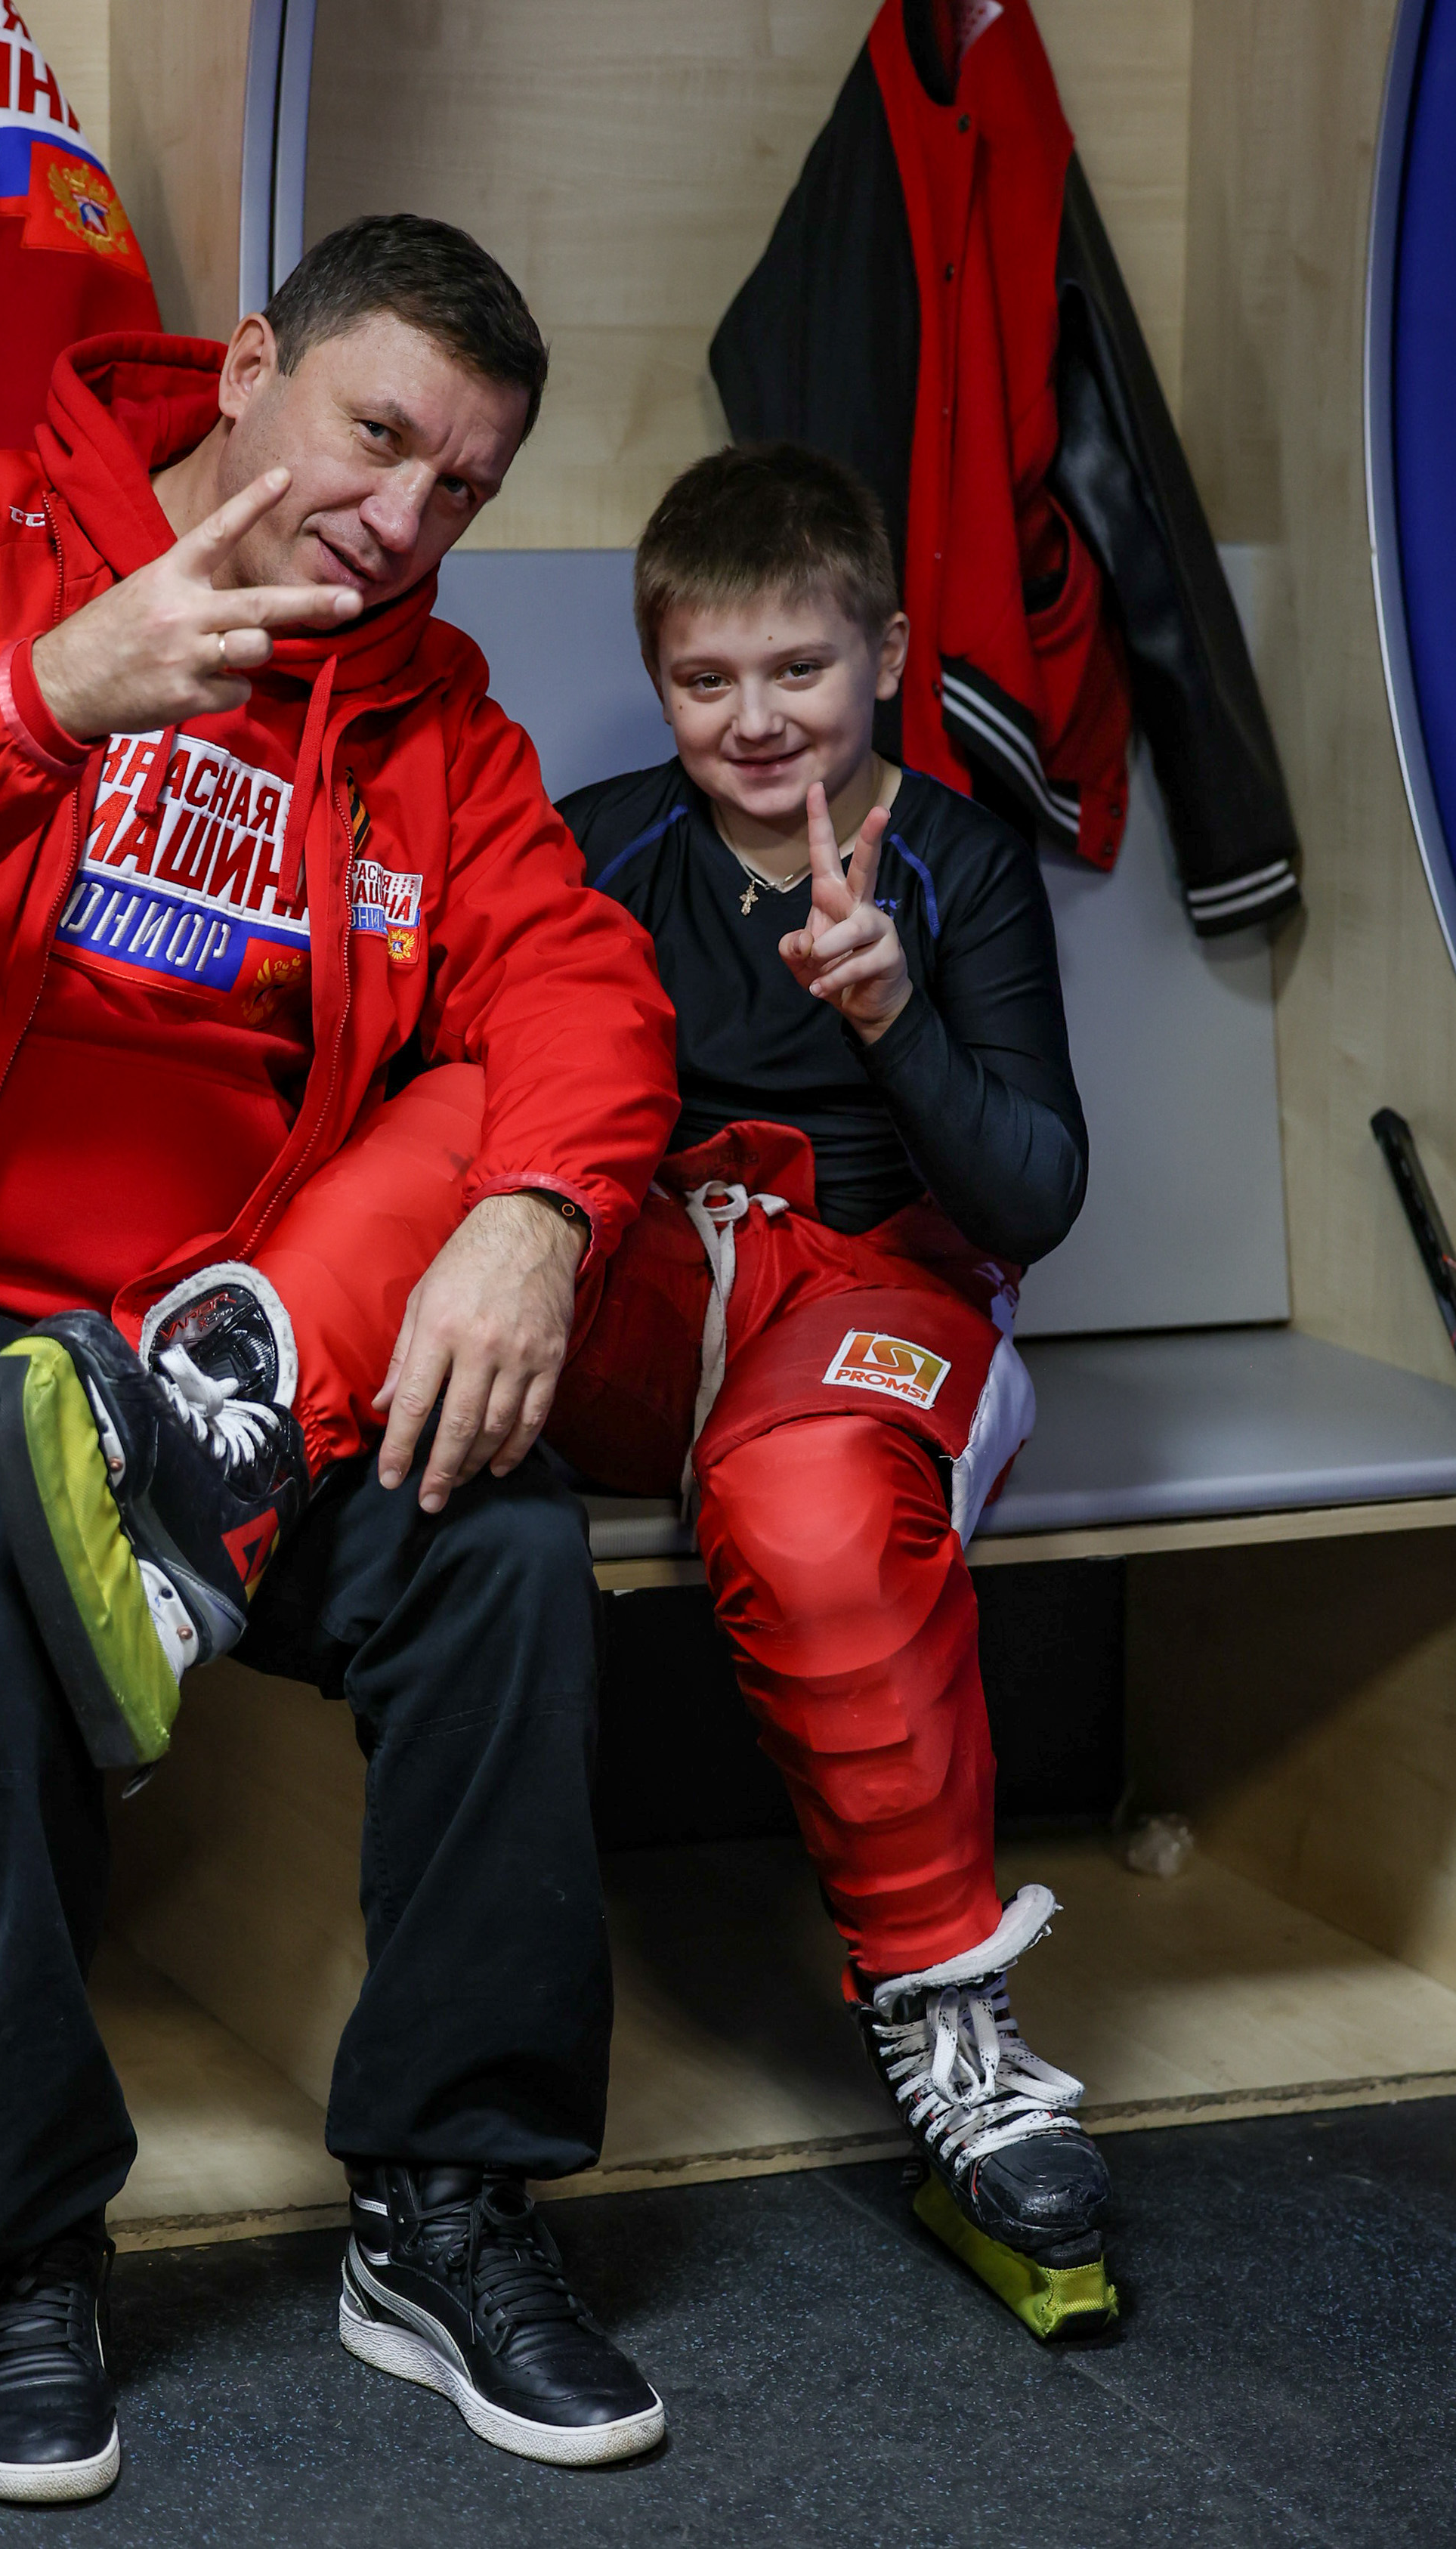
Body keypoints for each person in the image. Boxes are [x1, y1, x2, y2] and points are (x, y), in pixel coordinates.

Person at [0, 215, 679, 2500]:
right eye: (376, 434)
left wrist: (533, 1209)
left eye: (462, 486)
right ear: (244, 364)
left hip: (211, 1378)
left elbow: (584, 987)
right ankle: (15, 2245)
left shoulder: (430, 719)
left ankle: (447, 2207)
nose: (401, 516)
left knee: (498, 1544)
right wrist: (45, 697)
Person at [549, 443, 1118, 2339]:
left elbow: (1032, 1194)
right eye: (704, 678)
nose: (754, 718)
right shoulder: (597, 842)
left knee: (804, 1511)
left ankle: (952, 2023)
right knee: (427, 1258)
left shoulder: (959, 861)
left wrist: (885, 1016)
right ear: (656, 676)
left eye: (796, 667)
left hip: (881, 1288)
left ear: (880, 651)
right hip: (654, 1278)